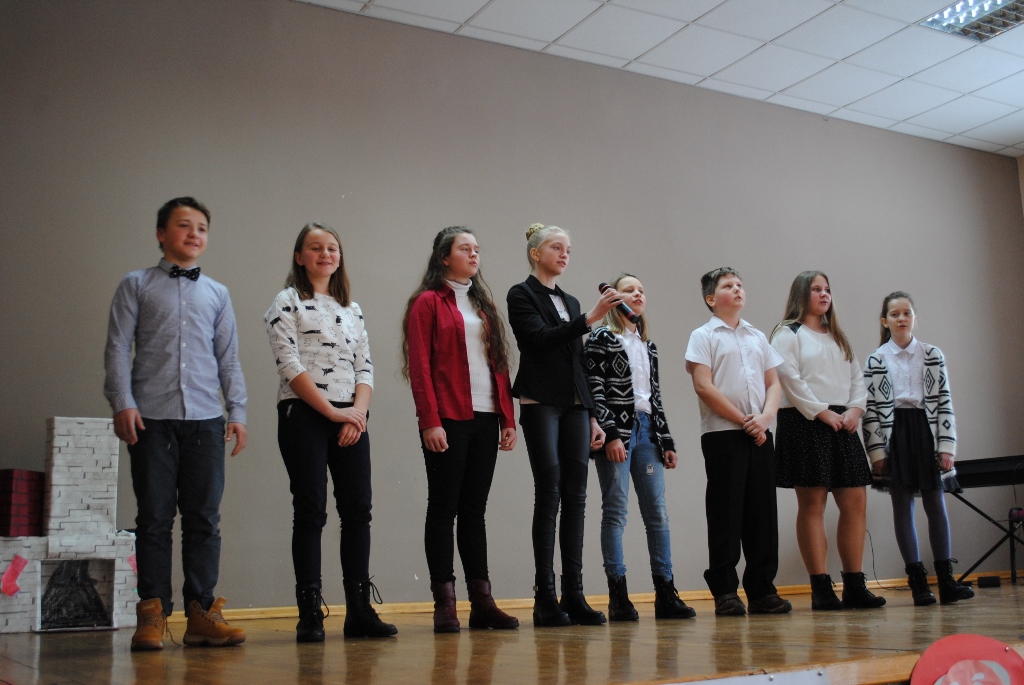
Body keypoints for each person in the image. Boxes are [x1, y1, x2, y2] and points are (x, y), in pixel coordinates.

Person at [104, 197, 248, 650]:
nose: (194, 234)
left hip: (206, 420)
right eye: (184, 225)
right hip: (151, 419)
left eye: (201, 227)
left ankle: (202, 615)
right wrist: (122, 402)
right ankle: (152, 615)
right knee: (154, 519)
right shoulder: (136, 285)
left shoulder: (218, 293)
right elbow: (117, 347)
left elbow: (228, 358)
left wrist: (238, 411)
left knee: (204, 519)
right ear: (161, 234)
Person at [265, 222, 396, 641]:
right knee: (311, 511)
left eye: (332, 248)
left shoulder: (351, 309)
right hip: (304, 414)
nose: (325, 254)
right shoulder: (287, 302)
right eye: (315, 247)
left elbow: (365, 366)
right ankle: (310, 614)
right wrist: (332, 413)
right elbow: (289, 364)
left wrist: (356, 413)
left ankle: (359, 611)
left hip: (350, 415)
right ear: (299, 257)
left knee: (358, 511)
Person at [402, 226, 520, 633]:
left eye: (476, 249)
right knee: (443, 508)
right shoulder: (427, 303)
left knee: (474, 510)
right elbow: (419, 367)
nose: (474, 255)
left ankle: (482, 603)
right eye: (464, 248)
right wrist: (429, 420)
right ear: (444, 257)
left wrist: (507, 417)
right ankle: (445, 604)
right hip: (448, 418)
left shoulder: (483, 305)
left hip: (486, 416)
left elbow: (498, 363)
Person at [506, 223, 621, 627]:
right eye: (557, 247)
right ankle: (544, 596)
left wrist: (592, 414)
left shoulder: (570, 301)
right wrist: (591, 317)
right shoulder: (521, 294)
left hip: (575, 407)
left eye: (568, 249)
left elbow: (578, 360)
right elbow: (539, 340)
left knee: (577, 497)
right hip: (541, 402)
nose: (564, 254)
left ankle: (574, 593)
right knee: (549, 493)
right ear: (536, 253)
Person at [770, 271, 885, 610]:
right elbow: (788, 377)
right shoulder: (787, 333)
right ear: (801, 294)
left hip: (842, 422)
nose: (824, 295)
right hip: (805, 421)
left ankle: (854, 585)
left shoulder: (837, 336)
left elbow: (856, 378)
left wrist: (855, 409)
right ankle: (820, 588)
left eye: (827, 290)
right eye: (816, 289)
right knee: (813, 504)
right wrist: (821, 412)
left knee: (855, 501)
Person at [584, 273, 695, 621]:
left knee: (657, 512)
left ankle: (665, 593)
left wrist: (666, 440)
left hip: (648, 432)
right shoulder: (601, 337)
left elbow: (654, 397)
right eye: (629, 290)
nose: (637, 294)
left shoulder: (649, 345)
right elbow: (594, 389)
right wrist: (611, 433)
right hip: (617, 432)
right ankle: (618, 596)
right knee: (616, 509)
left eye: (641, 290)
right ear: (615, 299)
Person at [684, 267, 792, 616]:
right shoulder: (703, 335)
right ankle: (726, 591)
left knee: (763, 512)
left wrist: (764, 419)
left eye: (740, 284)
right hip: (723, 434)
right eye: (728, 285)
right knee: (726, 512)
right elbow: (703, 385)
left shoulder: (757, 336)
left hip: (759, 433)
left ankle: (762, 590)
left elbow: (774, 384)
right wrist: (743, 419)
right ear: (711, 299)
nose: (737, 289)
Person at [863, 291, 974, 605]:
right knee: (902, 506)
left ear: (914, 318)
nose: (901, 319)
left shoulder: (932, 354)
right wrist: (877, 452)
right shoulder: (876, 359)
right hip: (894, 433)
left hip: (927, 430)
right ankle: (918, 584)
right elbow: (870, 409)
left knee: (935, 503)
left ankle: (946, 581)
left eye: (906, 313)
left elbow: (944, 400)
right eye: (895, 314)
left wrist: (946, 446)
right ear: (884, 321)